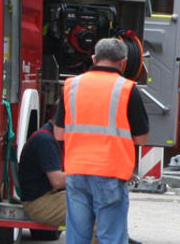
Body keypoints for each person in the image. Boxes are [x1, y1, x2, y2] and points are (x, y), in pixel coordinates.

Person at [54, 37, 149, 244]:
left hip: (76, 171)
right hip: (110, 173)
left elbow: (59, 133)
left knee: (77, 236)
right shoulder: (127, 89)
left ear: (94, 58)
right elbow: (141, 138)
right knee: (111, 237)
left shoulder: (71, 86)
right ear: (123, 62)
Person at [18, 121, 66, 227]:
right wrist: (85, 174)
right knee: (93, 213)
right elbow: (57, 181)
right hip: (38, 202)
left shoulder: (51, 136)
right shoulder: (46, 140)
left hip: (50, 196)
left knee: (97, 203)